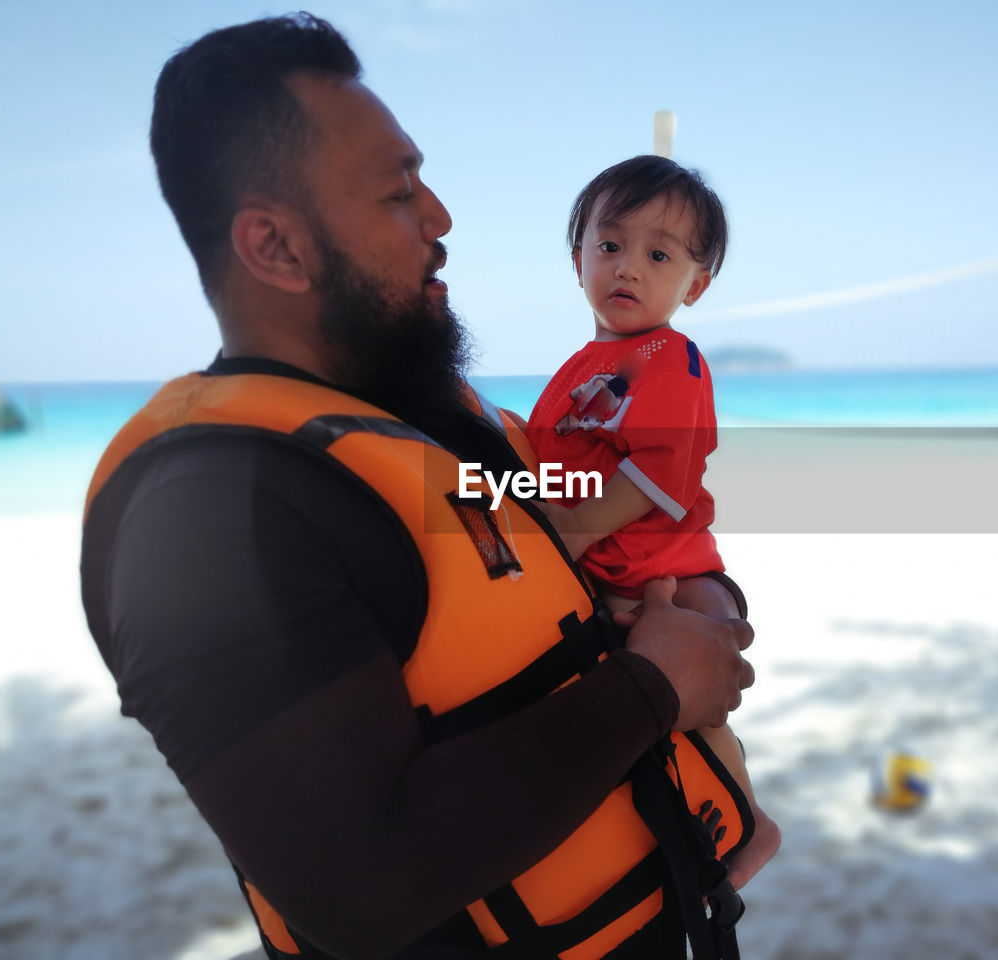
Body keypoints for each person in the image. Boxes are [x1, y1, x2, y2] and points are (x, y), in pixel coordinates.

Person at [79, 13, 756, 960]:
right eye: (401, 192)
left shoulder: (449, 420)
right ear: (276, 248)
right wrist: (652, 688)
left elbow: (600, 550)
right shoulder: (205, 515)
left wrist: (710, 607)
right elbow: (357, 890)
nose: (441, 218)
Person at [529, 156, 780, 890]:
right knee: (635, 714)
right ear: (577, 260)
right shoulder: (581, 364)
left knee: (699, 701)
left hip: (671, 571)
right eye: (609, 246)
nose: (627, 267)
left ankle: (750, 820)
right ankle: (665, 820)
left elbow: (658, 473)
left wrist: (570, 533)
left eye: (658, 254)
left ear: (694, 286)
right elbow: (553, 458)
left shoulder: (669, 358)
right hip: (610, 576)